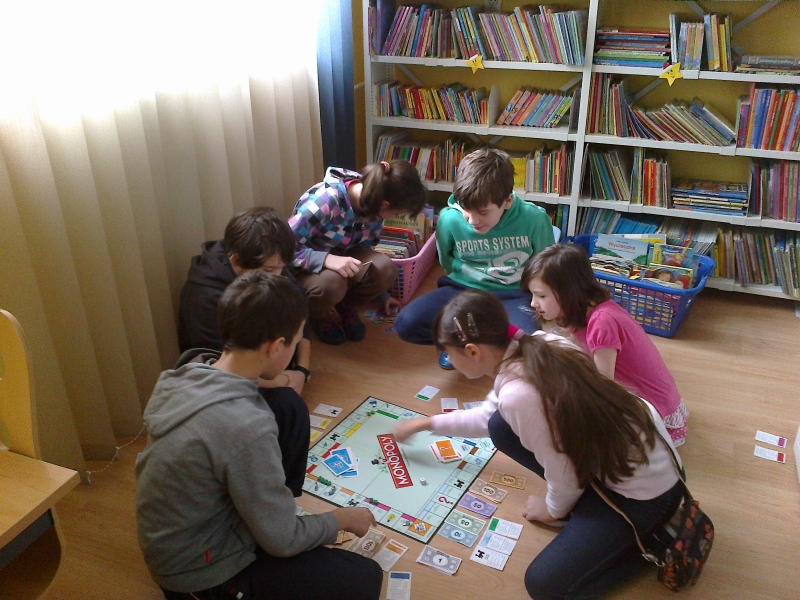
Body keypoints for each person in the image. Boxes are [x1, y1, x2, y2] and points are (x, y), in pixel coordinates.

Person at [393, 290, 684, 600]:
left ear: (473, 351)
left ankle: (653, 541)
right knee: (499, 426)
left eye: (448, 354)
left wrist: (552, 509)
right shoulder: (539, 344)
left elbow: (565, 472)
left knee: (543, 585)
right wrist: (427, 423)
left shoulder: (519, 396)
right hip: (626, 461)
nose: (447, 360)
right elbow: (487, 418)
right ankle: (589, 517)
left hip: (647, 496)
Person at [137, 272, 382, 600]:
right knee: (364, 578)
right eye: (294, 342)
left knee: (288, 406)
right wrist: (341, 519)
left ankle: (276, 510)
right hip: (200, 575)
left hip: (180, 538)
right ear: (277, 346)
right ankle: (272, 522)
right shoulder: (246, 426)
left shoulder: (186, 372)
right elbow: (283, 541)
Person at [393, 148, 554, 368]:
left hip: (514, 294)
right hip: (462, 289)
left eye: (483, 212)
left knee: (527, 343)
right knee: (406, 323)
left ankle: (473, 342)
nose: (472, 220)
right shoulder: (450, 219)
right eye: (466, 209)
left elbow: (544, 265)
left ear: (507, 200)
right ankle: (459, 345)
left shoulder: (534, 218)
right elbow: (447, 261)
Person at [521, 242, 689, 446]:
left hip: (651, 407)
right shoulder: (582, 310)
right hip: (639, 393)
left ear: (569, 292)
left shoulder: (602, 322)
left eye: (541, 296)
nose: (533, 303)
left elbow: (603, 387)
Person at [289, 160, 426, 345]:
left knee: (386, 268)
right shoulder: (324, 202)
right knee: (331, 284)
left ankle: (345, 306)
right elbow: (282, 248)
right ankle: (320, 316)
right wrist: (326, 259)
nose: (393, 217)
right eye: (395, 213)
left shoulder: (373, 202)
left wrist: (383, 295)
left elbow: (367, 250)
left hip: (344, 257)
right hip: (306, 266)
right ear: (384, 205)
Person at [178, 206, 311, 396]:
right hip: (230, 381)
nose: (278, 275)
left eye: (282, 268)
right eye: (269, 270)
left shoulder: (268, 261)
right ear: (236, 261)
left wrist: (302, 371)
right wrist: (282, 381)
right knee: (287, 403)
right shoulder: (204, 299)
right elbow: (222, 369)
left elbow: (300, 313)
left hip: (269, 363)